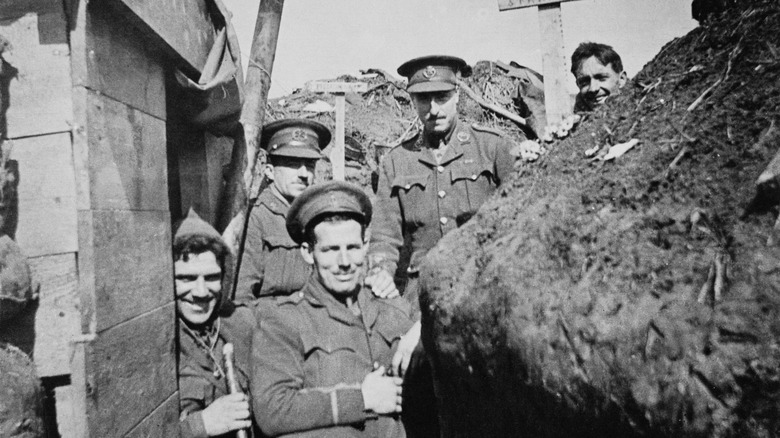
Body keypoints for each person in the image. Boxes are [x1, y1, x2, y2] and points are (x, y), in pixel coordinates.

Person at [251, 181, 414, 437]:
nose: (344, 262)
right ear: (308, 252)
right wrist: (362, 400)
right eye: (330, 250)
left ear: (365, 246)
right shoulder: (283, 320)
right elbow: (272, 411)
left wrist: (420, 328)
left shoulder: (392, 310)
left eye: (352, 247)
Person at [368, 55, 514, 308]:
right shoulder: (396, 160)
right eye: (424, 99)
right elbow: (384, 235)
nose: (434, 109)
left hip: (482, 283)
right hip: (422, 293)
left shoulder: (493, 147)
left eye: (442, 97)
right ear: (412, 100)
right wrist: (380, 270)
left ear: (457, 95)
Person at [174, 208, 258, 437]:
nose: (201, 292)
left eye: (211, 277)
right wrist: (202, 424)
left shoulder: (241, 322)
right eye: (186, 278)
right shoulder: (159, 344)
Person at [571, 42, 628, 112]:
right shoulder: (577, 118)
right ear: (578, 84)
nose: (593, 88)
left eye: (601, 78)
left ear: (622, 79)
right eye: (584, 82)